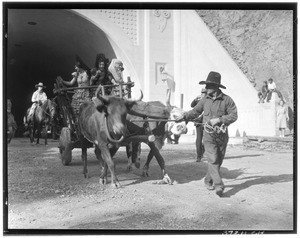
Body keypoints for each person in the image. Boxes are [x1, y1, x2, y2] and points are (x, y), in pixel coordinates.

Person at [176, 71, 238, 197]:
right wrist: (184, 116)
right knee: (213, 159)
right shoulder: (204, 100)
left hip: (222, 135)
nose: (206, 88)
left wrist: (220, 120)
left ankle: (208, 180)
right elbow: (194, 112)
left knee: (218, 161)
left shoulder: (227, 100)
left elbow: (234, 115)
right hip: (208, 135)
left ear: (215, 87)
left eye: (208, 86)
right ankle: (219, 185)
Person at [191, 88, 207, 162]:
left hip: (205, 123)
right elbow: (192, 105)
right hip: (201, 122)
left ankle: (200, 154)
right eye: (202, 93)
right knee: (199, 139)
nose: (203, 94)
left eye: (204, 93)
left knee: (205, 139)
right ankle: (199, 155)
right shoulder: (204, 100)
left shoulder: (207, 100)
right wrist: (195, 99)